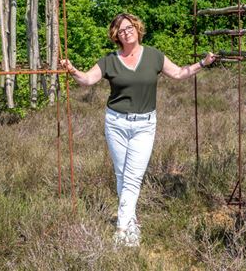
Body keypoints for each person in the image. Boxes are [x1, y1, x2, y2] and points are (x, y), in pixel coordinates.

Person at [60, 13, 216, 247]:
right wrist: (73, 70)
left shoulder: (153, 56)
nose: (126, 32)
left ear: (137, 28)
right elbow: (88, 80)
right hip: (116, 124)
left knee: (133, 177)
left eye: (129, 27)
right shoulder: (109, 60)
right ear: (116, 36)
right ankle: (131, 223)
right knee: (122, 175)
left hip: (144, 125)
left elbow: (178, 73)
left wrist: (202, 63)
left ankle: (122, 229)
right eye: (121, 30)